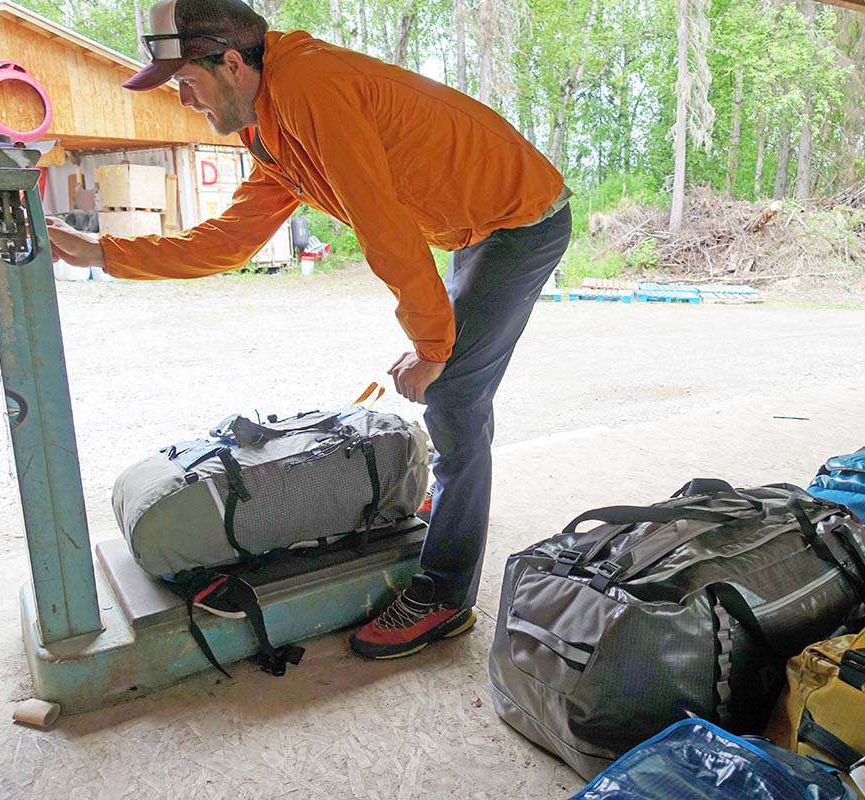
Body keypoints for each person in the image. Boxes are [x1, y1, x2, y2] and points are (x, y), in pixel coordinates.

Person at [47, 0, 572, 660]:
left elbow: (383, 228)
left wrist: (431, 348)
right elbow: (229, 242)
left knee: (454, 395)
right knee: (457, 389)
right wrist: (100, 252)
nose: (184, 101)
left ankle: (442, 598)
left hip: (523, 220)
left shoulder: (311, 91)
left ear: (232, 63)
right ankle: (452, 496)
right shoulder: (265, 126)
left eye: (186, 82)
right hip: (475, 223)